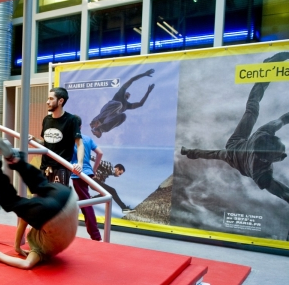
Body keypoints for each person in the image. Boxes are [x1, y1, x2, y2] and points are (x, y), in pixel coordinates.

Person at [180, 52, 289, 203]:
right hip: (237, 153)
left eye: (281, 153)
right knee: (251, 111)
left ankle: (266, 71)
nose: (284, 156)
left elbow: (283, 119)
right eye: (280, 155)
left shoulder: (264, 134)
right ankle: (266, 70)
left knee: (251, 111)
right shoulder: (260, 170)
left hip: (234, 148)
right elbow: (282, 192)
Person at [0, 139, 79, 270]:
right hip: (56, 213)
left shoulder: (44, 243)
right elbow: (26, 263)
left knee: (40, 184)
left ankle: (15, 160)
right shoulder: (42, 250)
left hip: (67, 196)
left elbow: (24, 221)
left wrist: (16, 247)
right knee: (11, 202)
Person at [29, 87, 83, 186]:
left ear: (60, 101)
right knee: (41, 199)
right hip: (44, 168)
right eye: (48, 98)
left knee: (57, 200)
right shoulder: (46, 119)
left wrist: (80, 164)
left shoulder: (71, 120)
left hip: (61, 168)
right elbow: (46, 144)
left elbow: (79, 144)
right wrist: (34, 139)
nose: (47, 102)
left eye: (51, 99)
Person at [90, 69, 155, 138]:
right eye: (127, 93)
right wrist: (144, 74)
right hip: (108, 109)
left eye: (129, 95)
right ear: (125, 93)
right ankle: (96, 121)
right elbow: (131, 80)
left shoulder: (127, 105)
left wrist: (148, 92)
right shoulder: (120, 94)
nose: (128, 94)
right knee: (119, 104)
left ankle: (100, 129)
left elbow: (140, 104)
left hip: (109, 117)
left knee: (123, 116)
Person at [71, 134, 103, 241]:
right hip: (87, 172)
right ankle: (95, 235)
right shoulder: (88, 138)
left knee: (86, 204)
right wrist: (93, 170)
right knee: (85, 203)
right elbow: (100, 153)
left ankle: (96, 236)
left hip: (77, 172)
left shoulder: (70, 137)